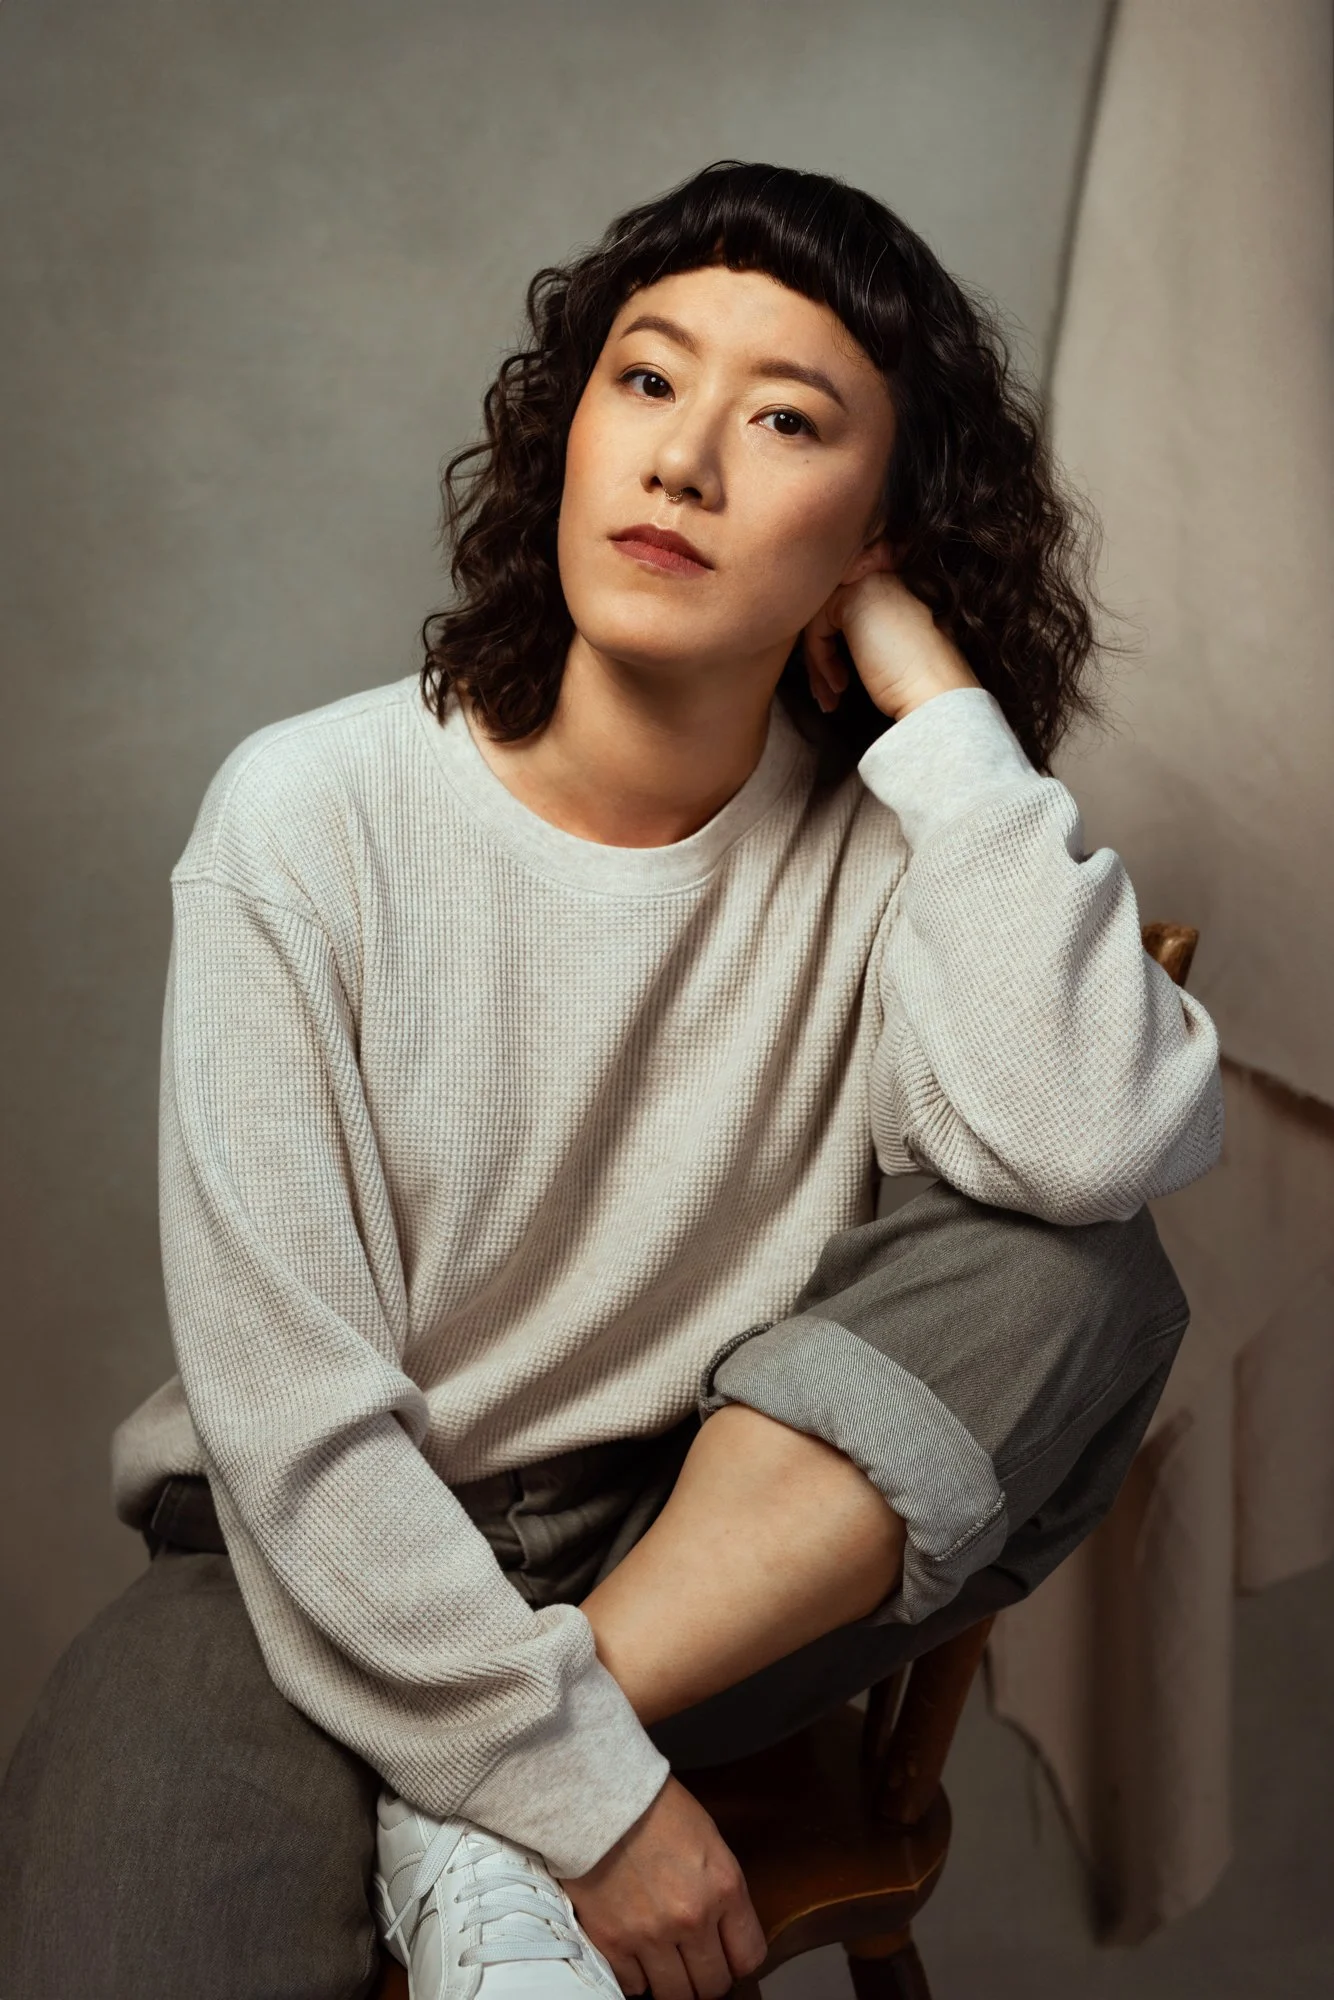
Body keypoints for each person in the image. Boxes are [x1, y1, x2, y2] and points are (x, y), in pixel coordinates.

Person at [0, 159, 1223, 2000]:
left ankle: (466, 1805)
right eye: (644, 383)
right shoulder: (307, 816)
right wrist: (590, 1789)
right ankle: (495, 1766)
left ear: (879, 526)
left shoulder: (898, 867)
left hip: (704, 1544)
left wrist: (940, 714)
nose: (682, 463)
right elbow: (299, 1428)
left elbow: (1097, 1142)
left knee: (1079, 1269)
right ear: (562, 436)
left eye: (787, 420)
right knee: (138, 1935)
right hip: (293, 1561)